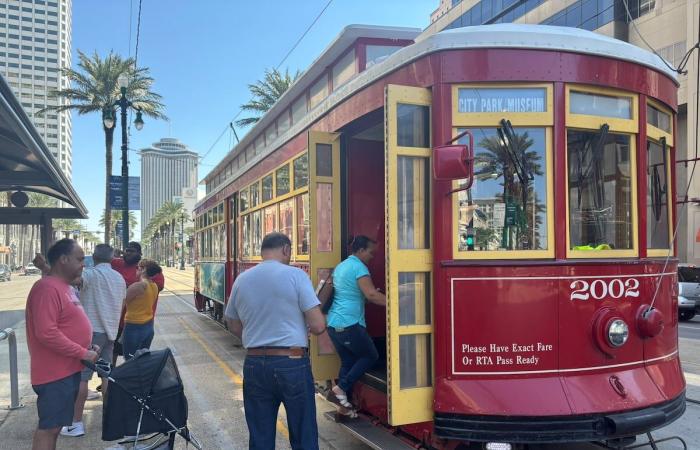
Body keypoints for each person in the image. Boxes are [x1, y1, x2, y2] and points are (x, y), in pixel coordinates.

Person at [224, 232, 326, 450]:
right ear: (286, 250)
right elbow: (318, 326)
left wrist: (256, 336)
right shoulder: (295, 276)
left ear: (262, 251)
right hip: (291, 363)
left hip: (254, 364)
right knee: (303, 433)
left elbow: (232, 323)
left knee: (260, 436)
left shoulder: (242, 279)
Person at [25, 239, 98, 450]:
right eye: (79, 259)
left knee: (55, 428)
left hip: (68, 370)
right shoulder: (47, 288)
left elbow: (67, 325)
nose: (83, 264)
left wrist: (88, 347)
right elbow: (46, 333)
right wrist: (82, 352)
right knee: (49, 429)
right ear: (63, 259)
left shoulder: (64, 286)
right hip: (54, 374)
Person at [59, 244, 127, 437]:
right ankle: (111, 420)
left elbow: (72, 280)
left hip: (91, 334)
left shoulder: (91, 274)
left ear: (93, 257)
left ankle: (76, 423)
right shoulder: (119, 278)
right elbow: (123, 304)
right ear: (112, 257)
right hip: (110, 332)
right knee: (106, 375)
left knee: (83, 378)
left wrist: (47, 268)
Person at [326, 235, 386, 413]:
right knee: (371, 355)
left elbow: (351, 294)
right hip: (349, 323)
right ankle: (340, 388)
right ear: (360, 250)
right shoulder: (360, 268)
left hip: (334, 323)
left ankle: (342, 403)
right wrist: (396, 304)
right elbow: (371, 295)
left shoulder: (342, 266)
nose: (372, 257)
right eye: (370, 253)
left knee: (348, 360)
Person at [111, 241, 165, 363]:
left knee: (132, 358)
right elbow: (103, 258)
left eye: (132, 251)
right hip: (121, 322)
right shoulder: (117, 263)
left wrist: (131, 287)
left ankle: (131, 379)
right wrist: (114, 253)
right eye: (127, 250)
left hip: (136, 322)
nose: (128, 253)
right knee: (113, 349)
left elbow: (157, 286)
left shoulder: (149, 273)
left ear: (140, 254)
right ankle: (111, 377)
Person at [122, 259, 162, 360]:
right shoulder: (154, 286)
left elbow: (122, 302)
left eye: (137, 268)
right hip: (148, 326)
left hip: (134, 326)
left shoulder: (139, 286)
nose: (136, 271)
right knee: (142, 359)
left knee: (130, 360)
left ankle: (131, 376)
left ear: (143, 269)